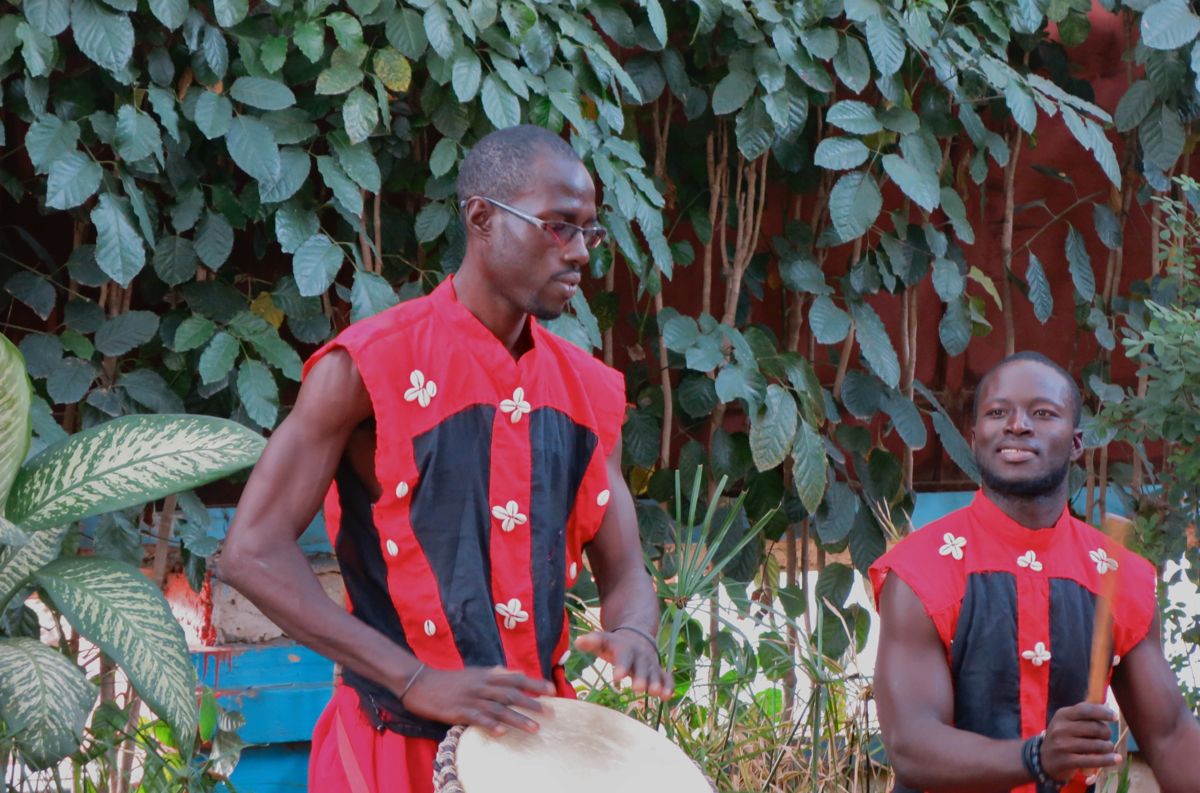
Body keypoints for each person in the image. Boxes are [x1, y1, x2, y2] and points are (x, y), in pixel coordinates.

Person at [218, 124, 670, 792]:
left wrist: (635, 632)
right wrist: (414, 678)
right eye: (558, 226)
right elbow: (251, 552)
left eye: (589, 232)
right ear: (481, 218)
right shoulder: (366, 367)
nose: (579, 252)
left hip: (536, 753)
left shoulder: (586, 391)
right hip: (386, 752)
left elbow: (625, 568)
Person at [870, 351, 1200, 793]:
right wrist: (1036, 757)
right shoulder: (920, 570)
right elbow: (911, 745)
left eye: (1042, 413)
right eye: (997, 412)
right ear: (975, 438)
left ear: (1077, 442)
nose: (1017, 425)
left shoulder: (1119, 577)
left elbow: (1171, 736)